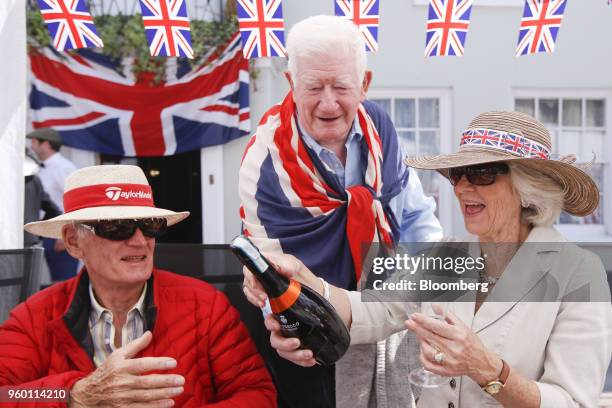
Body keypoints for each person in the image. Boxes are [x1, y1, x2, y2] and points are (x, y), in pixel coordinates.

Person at [244, 111, 612, 407]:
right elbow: (373, 310)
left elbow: (572, 402)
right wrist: (302, 279)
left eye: (482, 173)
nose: (463, 186)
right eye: (458, 173)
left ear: (527, 188)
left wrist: (487, 369)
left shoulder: (579, 273)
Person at [239, 15, 442, 407]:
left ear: (364, 85)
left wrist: (420, 293)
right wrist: (288, 327)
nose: (328, 103)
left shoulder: (380, 127)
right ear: (291, 84)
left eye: (342, 87)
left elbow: (416, 219)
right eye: (314, 87)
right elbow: (268, 271)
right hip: (310, 331)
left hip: (386, 315)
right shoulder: (263, 161)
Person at [0, 164, 276, 407]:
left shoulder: (205, 305)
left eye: (149, 225)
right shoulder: (34, 316)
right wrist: (73, 396)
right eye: (116, 227)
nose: (139, 241)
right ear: (73, 241)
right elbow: (6, 395)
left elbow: (256, 395)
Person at [27, 128, 79, 280]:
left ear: (46, 144)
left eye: (34, 142)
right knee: (50, 282)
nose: (31, 146)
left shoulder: (64, 167)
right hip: (46, 233)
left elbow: (76, 200)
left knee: (64, 280)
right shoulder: (40, 168)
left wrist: (67, 235)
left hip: (61, 233)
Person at [23, 148, 61, 247]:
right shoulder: (35, 180)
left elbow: (54, 212)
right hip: (31, 244)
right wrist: (35, 230)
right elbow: (54, 211)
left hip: (8, 246)